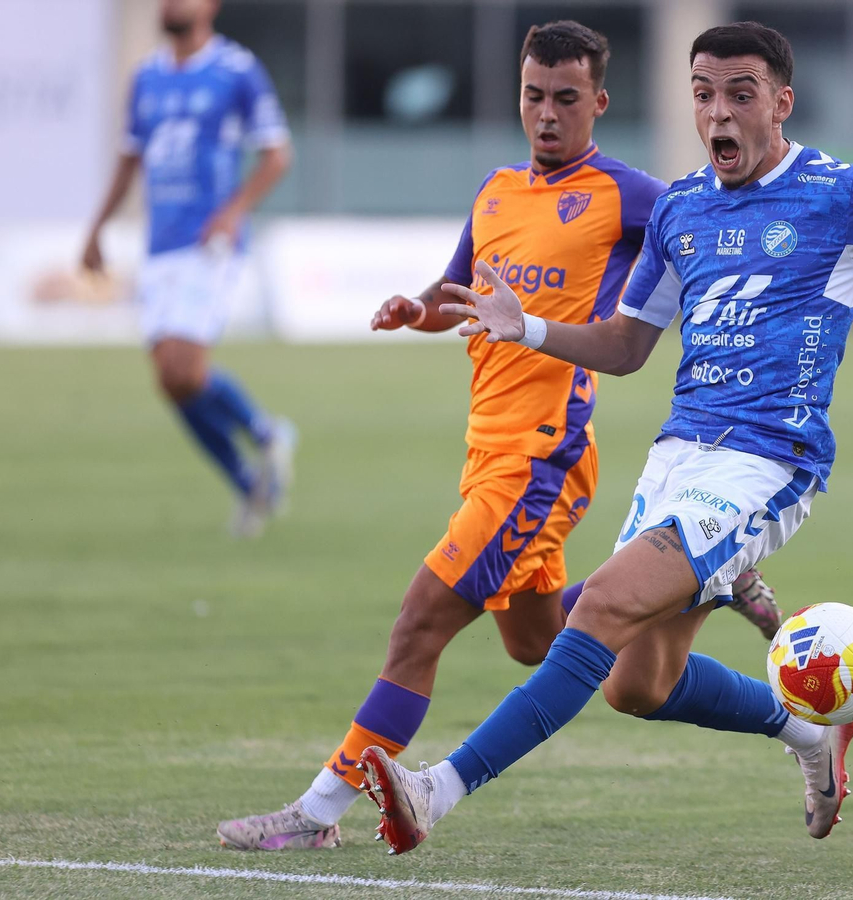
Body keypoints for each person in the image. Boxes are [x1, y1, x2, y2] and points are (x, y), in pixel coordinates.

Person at [357, 21, 853, 854]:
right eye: (704, 94)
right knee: (636, 685)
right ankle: (813, 735)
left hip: (768, 460)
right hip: (679, 459)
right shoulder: (680, 207)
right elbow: (626, 347)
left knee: (595, 610)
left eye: (739, 95)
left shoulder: (839, 194)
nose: (718, 113)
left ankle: (437, 788)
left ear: (781, 102)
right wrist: (525, 326)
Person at [215, 21, 784, 852]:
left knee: (419, 623)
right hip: (487, 449)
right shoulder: (496, 190)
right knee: (538, 643)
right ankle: (697, 580)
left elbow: (705, 233)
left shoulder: (628, 195)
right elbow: (457, 288)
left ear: (599, 102)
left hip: (539, 457)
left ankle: (316, 814)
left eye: (564, 99)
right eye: (532, 96)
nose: (545, 115)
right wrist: (420, 309)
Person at [81, 0, 297, 538]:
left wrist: (232, 211)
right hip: (160, 246)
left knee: (186, 369)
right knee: (170, 381)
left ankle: (266, 431)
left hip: (210, 245)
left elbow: (277, 153)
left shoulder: (235, 70)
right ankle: (247, 480)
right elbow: (130, 157)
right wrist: (96, 229)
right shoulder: (147, 76)